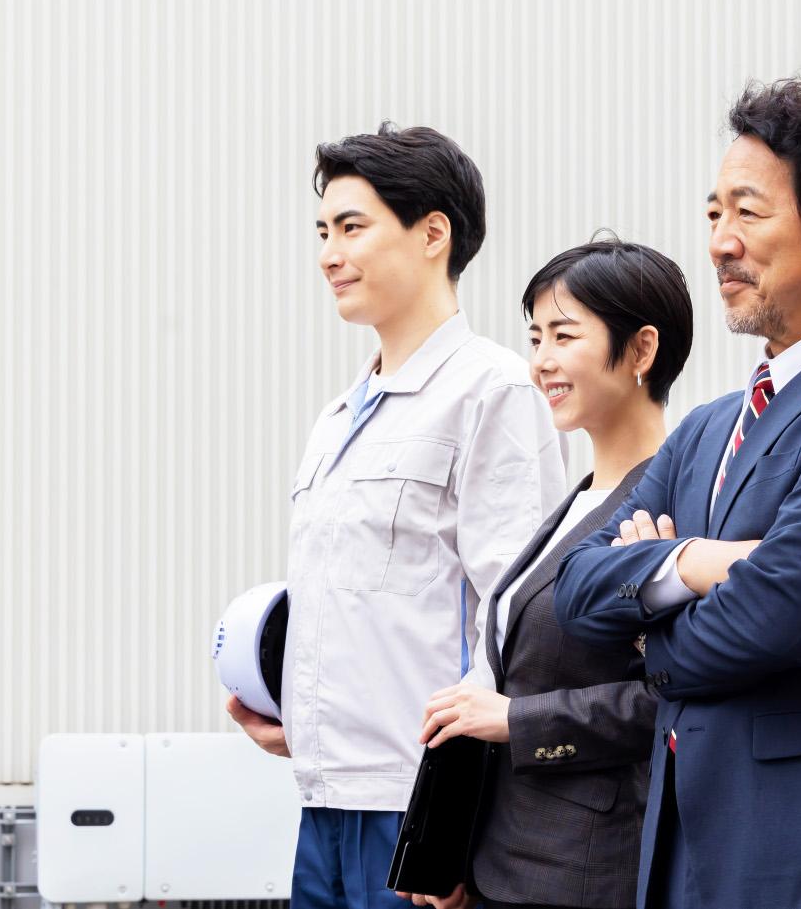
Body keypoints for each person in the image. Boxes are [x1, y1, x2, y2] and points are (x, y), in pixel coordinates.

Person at [554, 79, 801, 909]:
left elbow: (772, 616)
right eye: (713, 213)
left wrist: (646, 630)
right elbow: (576, 588)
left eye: (748, 212)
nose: (719, 243)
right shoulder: (707, 427)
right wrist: (694, 563)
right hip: (684, 858)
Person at [227, 123, 565, 909]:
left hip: (421, 808)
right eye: (322, 231)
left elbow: (519, 617)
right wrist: (296, 717)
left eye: (352, 227)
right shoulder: (338, 416)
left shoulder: (492, 391)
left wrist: (463, 823)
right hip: (325, 801)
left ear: (432, 234)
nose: (328, 254)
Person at [412, 238, 694, 909]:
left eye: (564, 335)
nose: (541, 360)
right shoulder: (575, 502)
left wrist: (518, 719)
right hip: (501, 862)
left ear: (642, 350)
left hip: (587, 872)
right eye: (535, 337)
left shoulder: (677, 511)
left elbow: (672, 696)